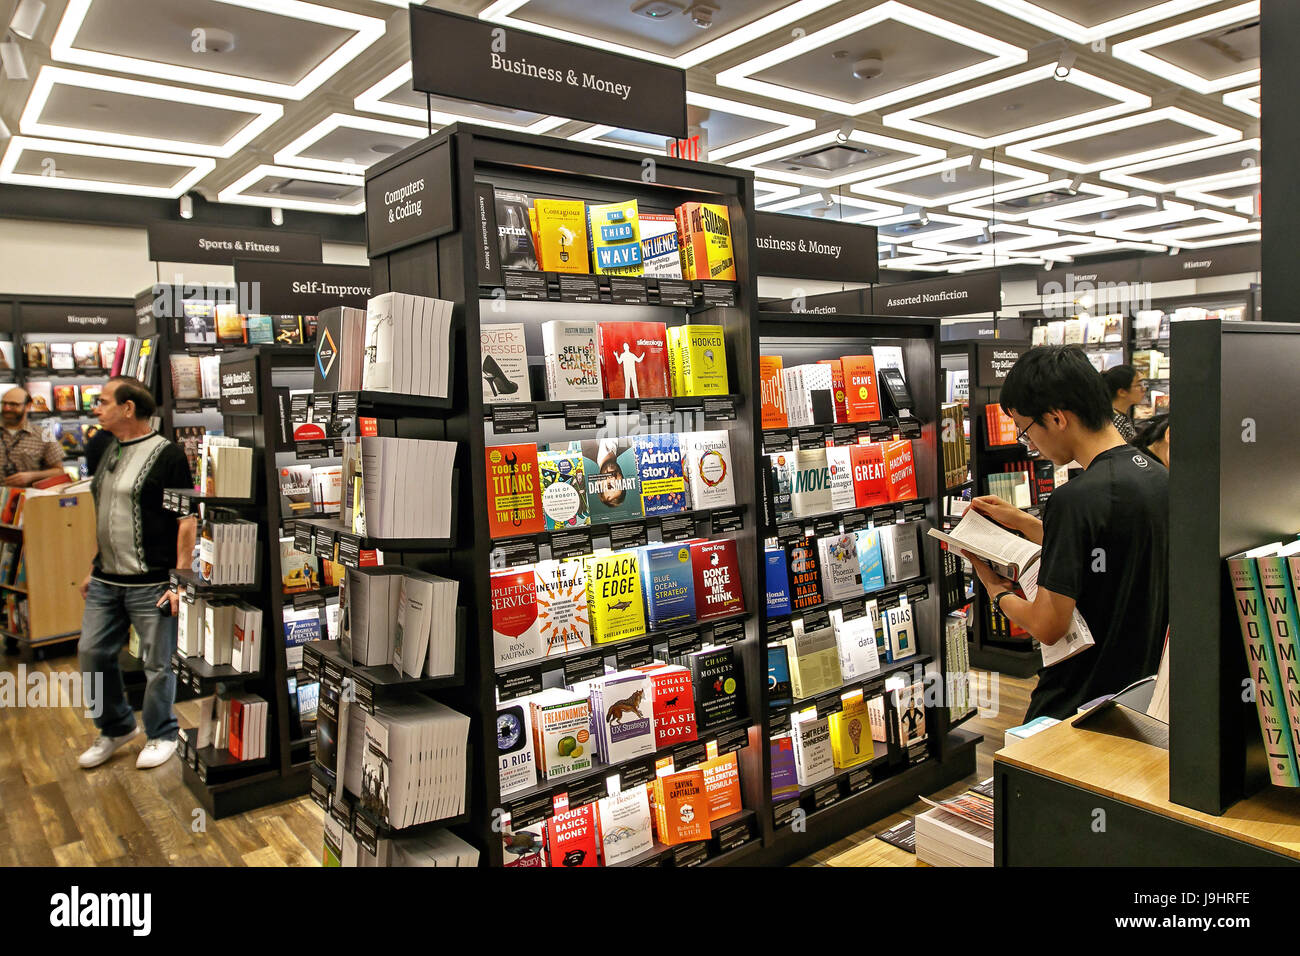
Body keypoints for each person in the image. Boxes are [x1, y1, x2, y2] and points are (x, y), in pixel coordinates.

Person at [964, 347, 1168, 722]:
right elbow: (1110, 545)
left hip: (1077, 699)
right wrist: (1025, 523)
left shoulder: (1074, 499)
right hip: (1142, 693)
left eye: (1026, 431)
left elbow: (1048, 624)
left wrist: (995, 590)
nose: (1031, 446)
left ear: (1056, 418)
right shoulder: (1158, 476)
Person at [76, 376, 197, 770]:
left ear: (128, 408)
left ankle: (161, 732)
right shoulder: (105, 448)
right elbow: (106, 512)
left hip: (152, 583)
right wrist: (93, 567)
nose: (97, 408)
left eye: (104, 401)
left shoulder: (168, 455)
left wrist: (180, 581)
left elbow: (186, 521)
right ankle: (115, 727)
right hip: (106, 580)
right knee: (91, 653)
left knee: (158, 662)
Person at [0, 386, 66, 486]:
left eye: (13, 404)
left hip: (31, 499)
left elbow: (59, 471)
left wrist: (31, 476)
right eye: (4, 403)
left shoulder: (43, 435)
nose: (6, 408)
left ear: (28, 406)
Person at [1101, 365, 1144, 442]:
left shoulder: (1116, 417)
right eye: (1139, 385)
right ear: (1122, 392)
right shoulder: (1116, 421)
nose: (1143, 389)